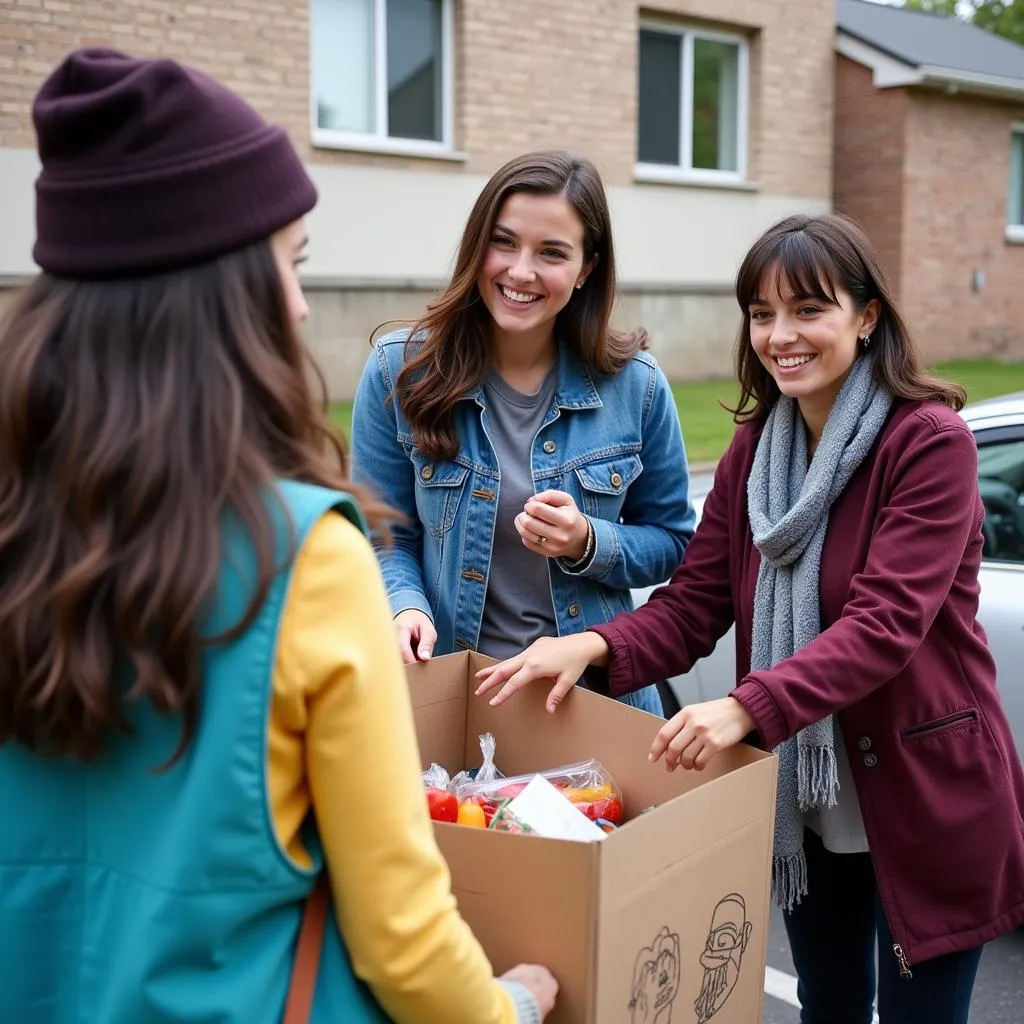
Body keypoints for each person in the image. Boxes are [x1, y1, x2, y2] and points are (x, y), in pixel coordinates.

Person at [0, 47, 557, 1024]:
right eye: (288, 265)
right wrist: (509, 1006)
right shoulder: (304, 553)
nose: (299, 305)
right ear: (209, 293)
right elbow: (402, 931)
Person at [476, 213, 1024, 1024]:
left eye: (808, 309)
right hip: (806, 806)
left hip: (923, 796)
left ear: (866, 317)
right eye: (762, 314)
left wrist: (745, 707)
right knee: (828, 1008)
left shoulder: (930, 445)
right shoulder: (754, 451)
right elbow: (696, 605)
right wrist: (587, 644)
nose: (781, 334)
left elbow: (885, 624)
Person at [351, 150, 695, 717]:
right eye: (503, 242)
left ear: (586, 268)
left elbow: (673, 543)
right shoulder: (398, 372)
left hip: (594, 702)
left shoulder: (638, 386)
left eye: (552, 253)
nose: (520, 271)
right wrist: (403, 607)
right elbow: (381, 535)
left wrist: (589, 541)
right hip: (451, 701)